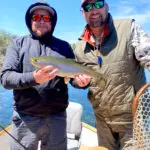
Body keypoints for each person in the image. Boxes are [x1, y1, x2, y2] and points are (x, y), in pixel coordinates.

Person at [0, 2, 90, 150]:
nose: (41, 21)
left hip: (57, 119)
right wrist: (34, 78)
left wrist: (81, 82)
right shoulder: (17, 44)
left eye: (46, 18)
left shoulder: (64, 46)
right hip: (25, 119)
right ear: (30, 20)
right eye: (37, 17)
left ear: (52, 21)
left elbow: (72, 77)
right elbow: (6, 78)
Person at [73, 0, 150, 149]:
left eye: (98, 4)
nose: (94, 10)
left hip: (132, 121)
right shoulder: (79, 46)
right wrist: (78, 82)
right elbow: (75, 78)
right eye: (88, 7)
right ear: (83, 13)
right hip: (102, 121)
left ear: (106, 6)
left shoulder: (129, 28)